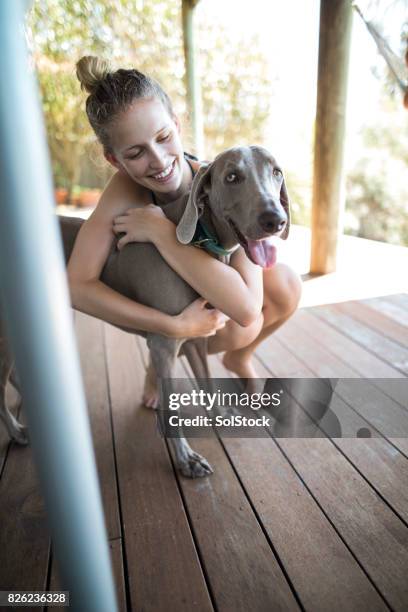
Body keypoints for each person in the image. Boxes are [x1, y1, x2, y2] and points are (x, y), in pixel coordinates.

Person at [68, 56, 302, 406]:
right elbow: (77, 286)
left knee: (282, 287)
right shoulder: (122, 193)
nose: (159, 161)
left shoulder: (218, 181)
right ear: (114, 160)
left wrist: (162, 232)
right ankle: (163, 355)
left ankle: (239, 357)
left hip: (208, 293)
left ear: (177, 125)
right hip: (163, 301)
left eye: (163, 137)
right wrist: (170, 326)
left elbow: (248, 308)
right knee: (226, 320)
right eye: (135, 153)